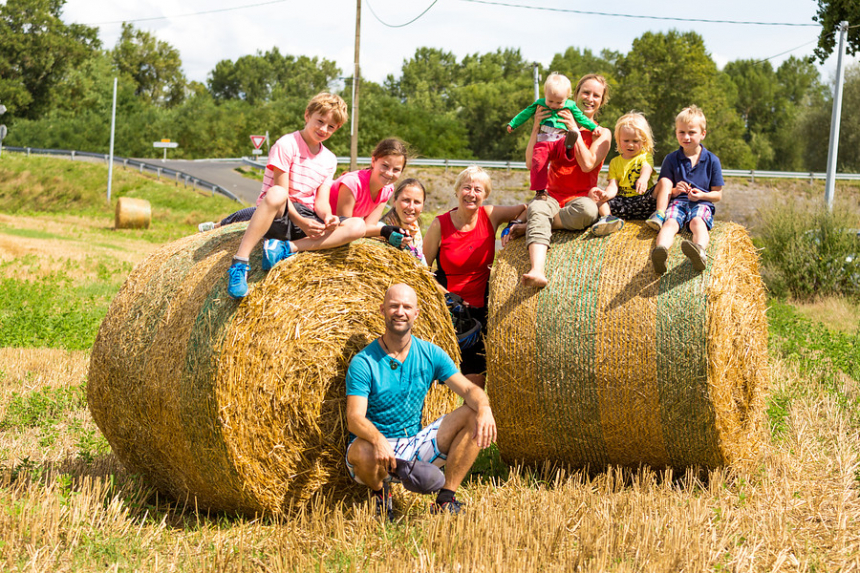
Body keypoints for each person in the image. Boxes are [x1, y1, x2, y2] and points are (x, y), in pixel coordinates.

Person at [345, 284, 497, 519]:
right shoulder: (364, 362)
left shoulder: (430, 353)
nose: (400, 312)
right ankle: (381, 495)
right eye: (394, 306)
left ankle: (446, 499)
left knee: (472, 413)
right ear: (382, 310)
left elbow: (467, 389)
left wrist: (484, 407)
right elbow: (354, 418)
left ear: (416, 314)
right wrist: (378, 440)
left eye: (407, 307)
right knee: (363, 451)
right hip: (373, 446)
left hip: (414, 442)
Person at [225, 93, 365, 299]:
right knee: (277, 192)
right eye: (320, 121)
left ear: (337, 129)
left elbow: (321, 202)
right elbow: (283, 193)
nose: (323, 129)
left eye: (331, 127)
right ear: (307, 115)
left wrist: (327, 217)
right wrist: (302, 222)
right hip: (280, 212)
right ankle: (241, 262)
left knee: (358, 226)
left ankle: (286, 248)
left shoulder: (329, 159)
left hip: (306, 216)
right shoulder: (286, 144)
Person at [423, 166, 527, 389]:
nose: (471, 193)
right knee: (434, 385)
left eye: (478, 189)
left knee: (474, 388)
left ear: (485, 194)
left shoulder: (491, 215)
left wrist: (515, 227)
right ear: (457, 191)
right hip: (447, 311)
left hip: (479, 316)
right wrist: (448, 297)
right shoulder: (439, 224)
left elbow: (526, 208)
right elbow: (422, 271)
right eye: (466, 187)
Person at [506, 74, 613, 288]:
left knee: (588, 211)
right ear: (575, 95)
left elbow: (587, 165)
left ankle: (533, 225)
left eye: (596, 95)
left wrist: (574, 129)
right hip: (552, 196)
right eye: (585, 92)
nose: (590, 98)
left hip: (579, 199)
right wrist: (536, 127)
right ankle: (537, 269)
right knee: (538, 205)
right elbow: (530, 163)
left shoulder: (603, 133)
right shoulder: (554, 124)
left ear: (602, 101)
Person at [649, 105, 724, 275]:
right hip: (678, 202)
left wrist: (701, 195)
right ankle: (660, 252)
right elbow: (665, 188)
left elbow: (717, 195)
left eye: (691, 132)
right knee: (669, 224)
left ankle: (699, 252)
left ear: (702, 134)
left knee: (697, 222)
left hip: (702, 203)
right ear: (676, 133)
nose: (686, 137)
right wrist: (675, 190)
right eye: (681, 132)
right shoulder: (671, 159)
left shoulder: (712, 160)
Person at [507, 72, 602, 202]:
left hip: (561, 141)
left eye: (559, 102)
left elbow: (581, 118)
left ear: (566, 98)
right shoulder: (540, 105)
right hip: (545, 140)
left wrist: (591, 128)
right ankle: (540, 190)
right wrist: (517, 124)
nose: (553, 105)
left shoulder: (571, 108)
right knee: (539, 159)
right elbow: (525, 114)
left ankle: (569, 144)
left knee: (565, 145)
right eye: (550, 101)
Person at [589, 112, 657, 228]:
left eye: (635, 141)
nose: (630, 145)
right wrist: (606, 195)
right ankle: (609, 219)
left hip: (644, 201)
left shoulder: (645, 156)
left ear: (643, 141)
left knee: (664, 184)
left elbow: (647, 168)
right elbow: (613, 186)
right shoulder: (615, 162)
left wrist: (643, 179)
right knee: (593, 193)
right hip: (623, 203)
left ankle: (659, 215)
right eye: (626, 141)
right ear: (619, 140)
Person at [374, 178, 428, 265]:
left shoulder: (415, 232)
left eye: (417, 202)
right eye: (406, 200)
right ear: (394, 200)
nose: (411, 207)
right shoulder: (379, 229)